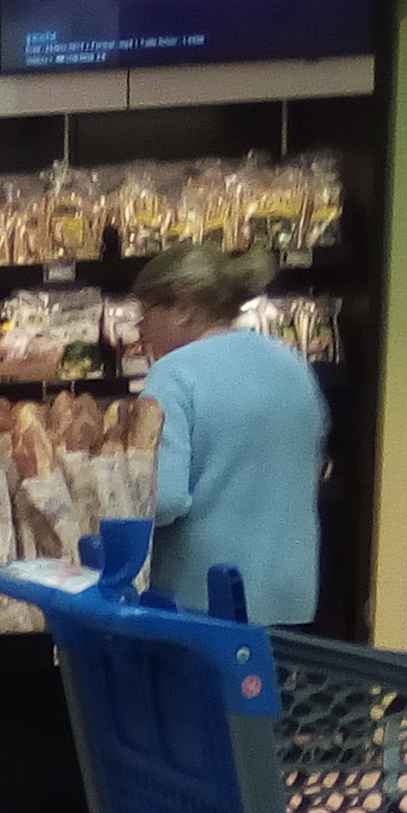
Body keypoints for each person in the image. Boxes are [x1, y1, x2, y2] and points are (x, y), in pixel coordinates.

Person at [133, 242, 328, 627]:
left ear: (184, 306)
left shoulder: (173, 374)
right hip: (291, 597)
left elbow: (164, 499)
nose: (139, 329)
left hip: (204, 599)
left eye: (145, 313)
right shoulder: (293, 364)